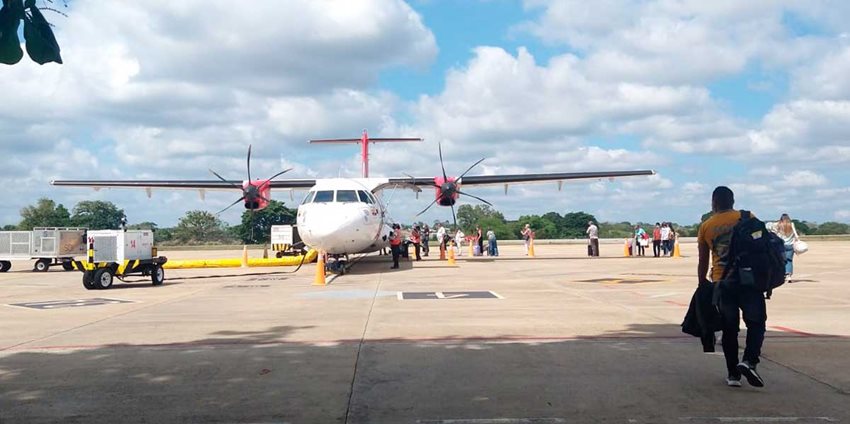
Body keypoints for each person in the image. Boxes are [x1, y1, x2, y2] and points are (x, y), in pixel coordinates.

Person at [697, 186, 766, 388]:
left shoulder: (706, 226)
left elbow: (703, 259)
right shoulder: (747, 216)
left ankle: (733, 375)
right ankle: (750, 361)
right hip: (748, 279)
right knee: (757, 322)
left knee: (729, 328)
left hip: (722, 281)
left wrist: (702, 282)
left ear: (714, 203)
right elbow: (761, 245)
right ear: (733, 201)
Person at [767, 214, 801, 283]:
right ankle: (789, 276)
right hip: (790, 245)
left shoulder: (778, 224)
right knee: (789, 260)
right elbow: (796, 234)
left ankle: (782, 274)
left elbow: (769, 226)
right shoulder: (791, 224)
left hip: (781, 245)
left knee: (781, 260)